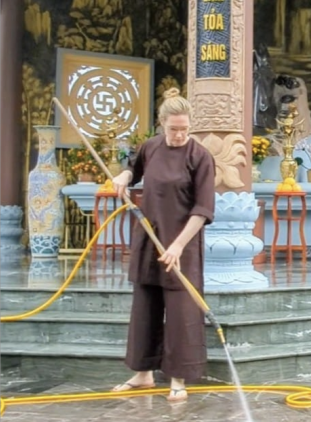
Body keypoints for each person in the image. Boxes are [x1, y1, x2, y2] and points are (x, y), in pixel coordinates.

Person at [110, 87, 215, 403]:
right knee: (145, 307)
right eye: (173, 129)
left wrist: (179, 246)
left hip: (182, 243)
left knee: (182, 311)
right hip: (149, 237)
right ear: (162, 125)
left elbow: (203, 210)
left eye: (184, 129)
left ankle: (178, 378)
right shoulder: (151, 147)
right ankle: (142, 375)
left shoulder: (200, 157)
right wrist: (124, 177)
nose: (179, 135)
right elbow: (134, 166)